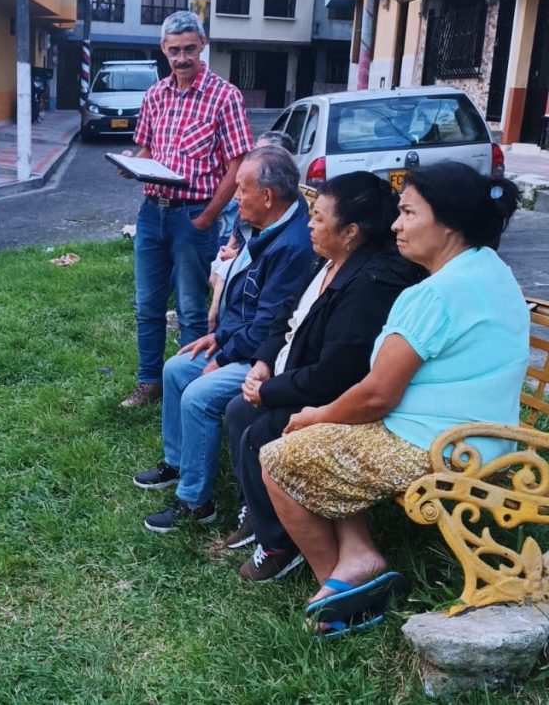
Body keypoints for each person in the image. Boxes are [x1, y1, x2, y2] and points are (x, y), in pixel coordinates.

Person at [260, 162, 529, 636]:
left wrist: (314, 415)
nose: (396, 225)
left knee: (278, 455)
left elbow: (377, 395)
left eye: (407, 213)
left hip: (437, 448)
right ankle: (359, 553)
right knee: (326, 439)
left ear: (447, 222)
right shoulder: (490, 269)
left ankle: (342, 589)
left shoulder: (437, 293)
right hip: (485, 439)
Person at [222, 172, 423, 583]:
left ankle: (280, 544)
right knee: (237, 411)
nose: (309, 225)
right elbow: (285, 316)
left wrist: (270, 391)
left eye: (318, 218)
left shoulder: (370, 284)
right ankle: (263, 515)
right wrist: (262, 364)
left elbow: (337, 375)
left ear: (350, 231)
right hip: (292, 375)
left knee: (261, 433)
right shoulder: (327, 259)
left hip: (331, 395)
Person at [133, 146, 314, 532]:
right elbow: (247, 302)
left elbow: (271, 327)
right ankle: (179, 463)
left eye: (241, 189)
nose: (234, 197)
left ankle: (196, 501)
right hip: (242, 341)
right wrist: (219, 338)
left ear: (267, 196)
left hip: (269, 358)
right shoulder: (268, 223)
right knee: (175, 368)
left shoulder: (292, 246)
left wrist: (224, 353)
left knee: (198, 394)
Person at [118, 9, 255, 408]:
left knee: (193, 308)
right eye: (174, 50)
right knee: (147, 305)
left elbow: (237, 165)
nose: (182, 58)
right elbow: (148, 148)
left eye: (189, 49)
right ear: (163, 49)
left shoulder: (225, 96)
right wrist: (134, 163)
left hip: (194, 213)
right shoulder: (155, 94)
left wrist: (209, 216)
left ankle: (189, 384)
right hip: (151, 212)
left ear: (203, 46)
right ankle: (149, 382)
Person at [208, 130, 296, 332]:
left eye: (263, 152)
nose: (237, 196)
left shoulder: (285, 232)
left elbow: (267, 322)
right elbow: (236, 235)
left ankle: (213, 323)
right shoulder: (254, 207)